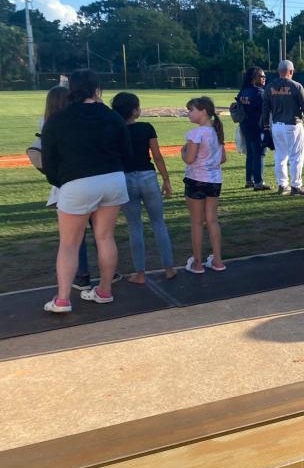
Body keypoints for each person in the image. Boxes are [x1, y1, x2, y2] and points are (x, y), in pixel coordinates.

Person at [40, 70, 131, 313]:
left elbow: (49, 161)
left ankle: (62, 299)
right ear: (96, 88)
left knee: (69, 244)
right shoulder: (112, 117)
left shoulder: (58, 120)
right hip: (113, 180)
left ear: (72, 88)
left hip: (77, 183)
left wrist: (60, 181)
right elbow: (127, 152)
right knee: (105, 237)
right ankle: (104, 291)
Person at [111, 92, 176, 284]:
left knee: (134, 227)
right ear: (134, 110)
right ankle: (169, 268)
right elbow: (156, 156)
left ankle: (140, 273)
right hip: (148, 177)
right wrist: (166, 179)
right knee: (158, 223)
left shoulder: (116, 130)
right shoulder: (146, 127)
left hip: (126, 179)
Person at [182, 96, 227, 273]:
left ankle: (198, 263)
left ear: (203, 111)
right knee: (212, 220)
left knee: (196, 222)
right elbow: (222, 158)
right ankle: (218, 260)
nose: (189, 114)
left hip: (196, 180)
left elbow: (190, 158)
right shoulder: (217, 131)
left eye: (191, 110)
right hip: (214, 181)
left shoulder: (196, 133)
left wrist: (183, 153)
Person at [261, 60, 304, 196]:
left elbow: (265, 109)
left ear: (279, 71)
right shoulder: (296, 86)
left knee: (280, 156)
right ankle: (296, 186)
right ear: (291, 71)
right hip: (293, 125)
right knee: (296, 157)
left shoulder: (270, 86)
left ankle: (282, 185)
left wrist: (266, 126)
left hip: (277, 126)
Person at [237, 66, 271, 191]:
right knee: (259, 154)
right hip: (257, 127)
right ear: (254, 78)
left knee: (250, 154)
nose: (264, 78)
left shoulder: (243, 91)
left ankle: (249, 180)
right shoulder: (259, 92)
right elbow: (266, 110)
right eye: (262, 76)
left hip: (246, 126)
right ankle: (258, 182)